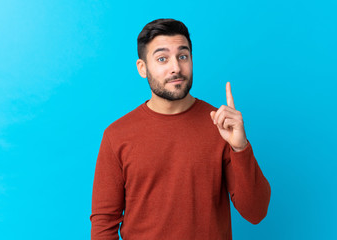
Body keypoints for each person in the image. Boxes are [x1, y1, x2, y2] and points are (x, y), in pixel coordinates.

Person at [90, 18, 271, 240]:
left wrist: (240, 147)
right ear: (142, 68)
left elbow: (256, 212)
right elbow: (103, 224)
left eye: (182, 56)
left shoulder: (221, 125)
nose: (175, 68)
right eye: (162, 59)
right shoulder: (116, 135)